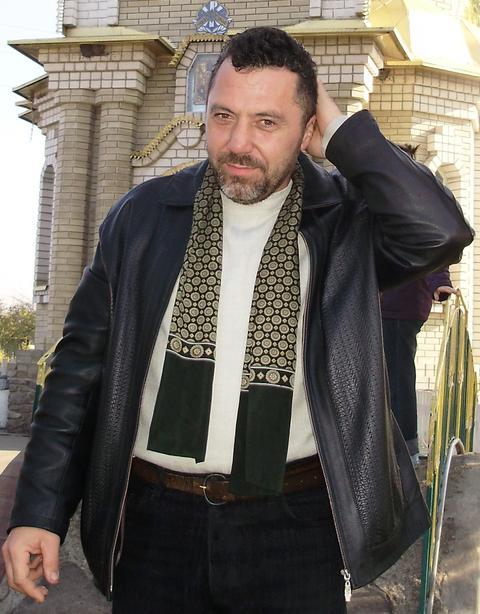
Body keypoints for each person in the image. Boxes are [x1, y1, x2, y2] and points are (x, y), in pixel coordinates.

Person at [2, 27, 473, 613]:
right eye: (223, 116)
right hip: (154, 525)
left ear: (307, 129)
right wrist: (39, 511)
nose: (238, 143)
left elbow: (439, 231)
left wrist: (345, 135)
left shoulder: (344, 222)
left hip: (296, 526)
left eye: (267, 122)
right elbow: (77, 376)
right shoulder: (143, 218)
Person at [381, 269, 456, 463]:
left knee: (397, 381)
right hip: (379, 304)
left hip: (399, 306)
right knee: (384, 381)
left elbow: (430, 250)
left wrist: (440, 280)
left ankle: (405, 453)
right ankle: (392, 449)